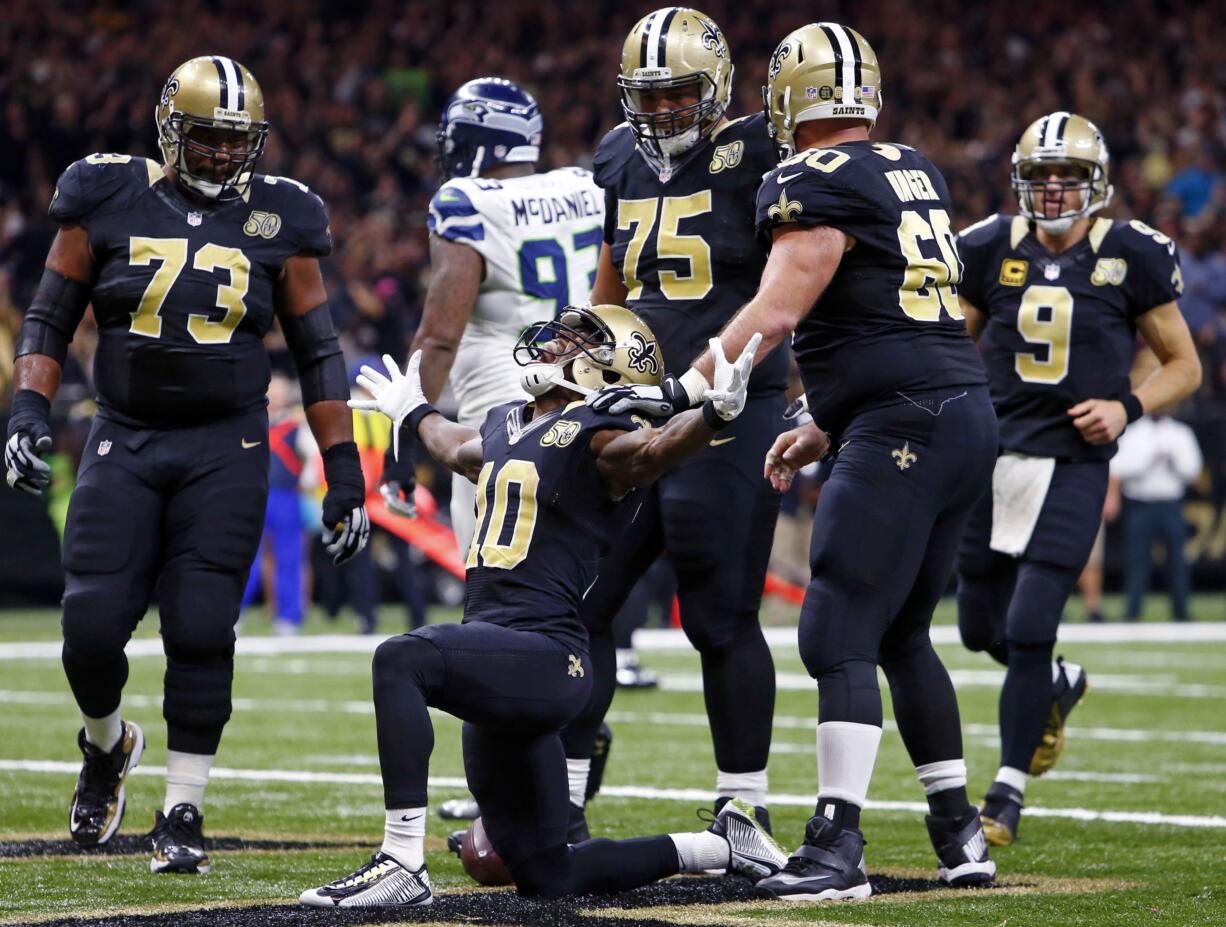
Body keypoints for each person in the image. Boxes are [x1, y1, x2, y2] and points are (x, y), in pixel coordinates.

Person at [595, 22, 998, 899]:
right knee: (899, 632)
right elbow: (889, 308)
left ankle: (836, 845)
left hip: (904, 421)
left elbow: (775, 311)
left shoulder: (807, 177)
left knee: (834, 629)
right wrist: (821, 417)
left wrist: (683, 390)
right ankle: (959, 830)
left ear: (782, 97)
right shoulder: (911, 164)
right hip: (958, 408)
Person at [3, 56, 370, 874]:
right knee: (89, 629)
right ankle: (106, 746)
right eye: (205, 137)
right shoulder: (103, 192)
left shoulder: (283, 214)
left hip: (227, 444)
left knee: (202, 628)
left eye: (235, 140)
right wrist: (27, 408)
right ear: (172, 130)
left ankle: (184, 807)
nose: (220, 154)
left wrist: (344, 470)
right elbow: (50, 314)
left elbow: (318, 352)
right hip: (124, 433)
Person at [299, 305, 787, 906]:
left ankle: (401, 861)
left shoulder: (600, 438)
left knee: (402, 659)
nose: (556, 346)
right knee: (549, 875)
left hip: (548, 656)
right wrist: (415, 412)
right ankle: (721, 847)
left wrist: (712, 416)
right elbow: (457, 450)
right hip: (501, 660)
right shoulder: (511, 419)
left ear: (613, 368)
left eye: (577, 343)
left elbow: (653, 452)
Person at [562, 6, 788, 840]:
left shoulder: (761, 151)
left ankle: (743, 803)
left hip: (729, 409)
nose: (661, 112)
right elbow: (614, 280)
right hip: (636, 406)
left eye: (678, 94)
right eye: (648, 96)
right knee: (583, 598)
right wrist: (581, 362)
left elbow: (796, 275)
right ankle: (567, 792)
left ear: (718, 87)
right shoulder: (618, 159)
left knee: (718, 612)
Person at [954, 112, 1202, 845]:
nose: (1054, 192)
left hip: (1072, 461)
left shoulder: (1131, 254)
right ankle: (1055, 684)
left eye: (1067, 179)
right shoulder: (987, 247)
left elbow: (1183, 364)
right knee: (977, 629)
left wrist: (1127, 405)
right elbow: (950, 344)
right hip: (992, 458)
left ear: (1096, 184)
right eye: (1040, 178)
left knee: (1030, 626)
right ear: (1019, 183)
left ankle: (1006, 791)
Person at [240, 371, 316, 636]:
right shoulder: (250, 422)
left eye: (279, 392)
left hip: (285, 495)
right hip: (253, 495)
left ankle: (288, 618)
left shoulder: (297, 426)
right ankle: (233, 612)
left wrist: (307, 485)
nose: (274, 397)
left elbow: (311, 462)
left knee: (289, 557)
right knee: (244, 556)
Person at [1112, 414, 1203, 622]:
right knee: (1137, 561)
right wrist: (1148, 459)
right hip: (1140, 505)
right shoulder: (1133, 433)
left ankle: (1181, 611)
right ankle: (1132, 611)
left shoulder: (1180, 432)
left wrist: (1173, 461)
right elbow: (1118, 468)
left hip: (1171, 504)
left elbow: (1193, 470)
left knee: (1177, 561)